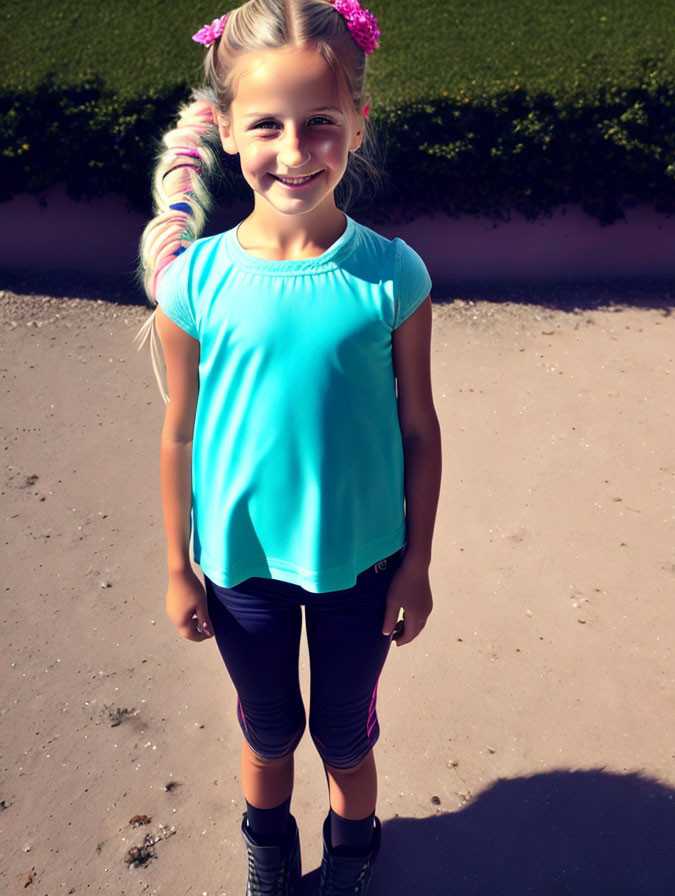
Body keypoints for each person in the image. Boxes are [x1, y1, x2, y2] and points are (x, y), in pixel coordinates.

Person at [136, 1, 441, 893]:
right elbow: (181, 432)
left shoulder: (394, 274)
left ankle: (352, 851)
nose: (296, 150)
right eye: (267, 124)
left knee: (345, 734)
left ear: (357, 123)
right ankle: (270, 854)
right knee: (268, 730)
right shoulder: (193, 283)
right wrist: (176, 564)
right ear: (227, 130)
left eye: (320, 124)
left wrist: (417, 564)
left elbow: (419, 429)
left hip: (364, 568)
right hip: (240, 570)